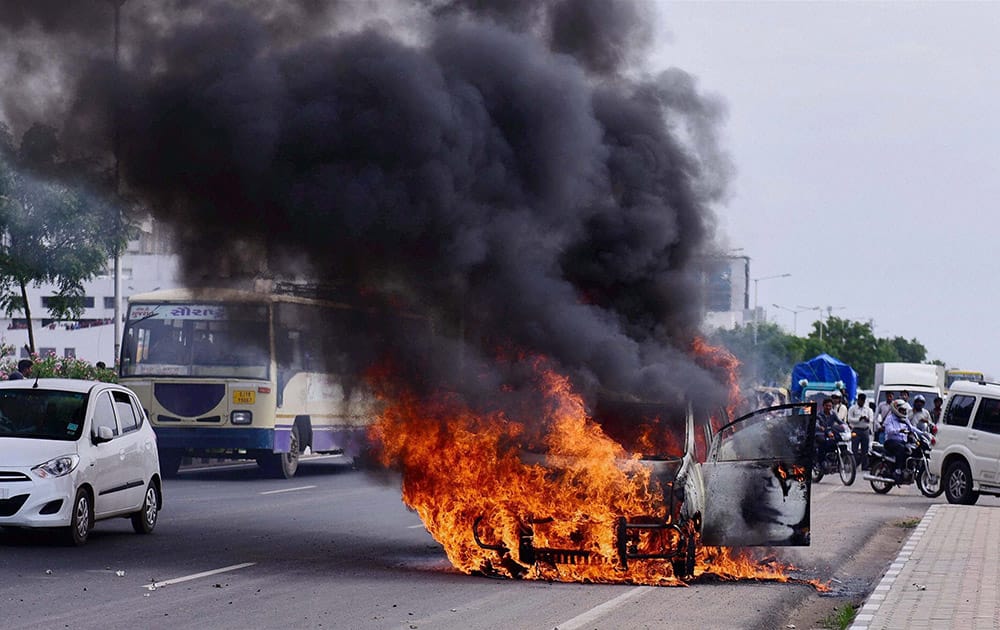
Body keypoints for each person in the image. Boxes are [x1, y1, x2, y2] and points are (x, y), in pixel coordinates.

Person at [883, 399, 916, 481]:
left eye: (904, 410)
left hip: (902, 441)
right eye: (902, 410)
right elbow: (889, 431)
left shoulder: (905, 419)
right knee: (901, 448)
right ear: (896, 409)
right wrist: (898, 430)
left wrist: (923, 433)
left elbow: (912, 428)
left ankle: (907, 469)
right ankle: (897, 470)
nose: (904, 412)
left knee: (911, 448)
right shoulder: (889, 419)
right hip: (890, 442)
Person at [848, 392, 874, 470]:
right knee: (854, 448)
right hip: (856, 430)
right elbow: (849, 419)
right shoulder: (852, 408)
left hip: (865, 430)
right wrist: (858, 419)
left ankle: (865, 465)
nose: (861, 402)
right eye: (860, 400)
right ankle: (854, 465)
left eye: (863, 401)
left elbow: (872, 419)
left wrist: (867, 419)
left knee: (865, 449)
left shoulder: (868, 409)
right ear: (858, 400)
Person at [815, 398, 844, 466]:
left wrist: (845, 426)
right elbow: (816, 423)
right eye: (827, 406)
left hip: (829, 432)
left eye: (830, 406)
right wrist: (820, 427)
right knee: (823, 442)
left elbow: (839, 421)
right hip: (820, 433)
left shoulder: (833, 413)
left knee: (838, 439)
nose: (828, 407)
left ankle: (833, 457)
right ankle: (821, 462)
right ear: (823, 406)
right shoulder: (819, 414)